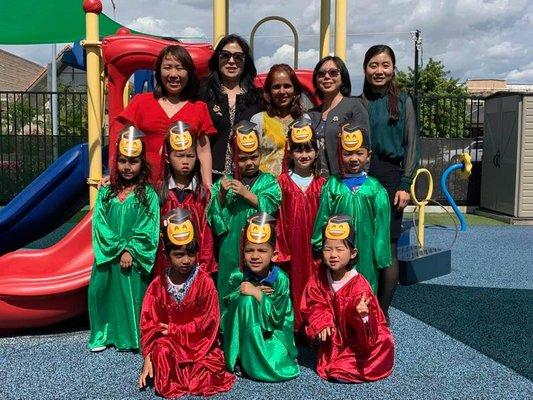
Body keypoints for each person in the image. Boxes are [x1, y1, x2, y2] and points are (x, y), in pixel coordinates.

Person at [139, 208, 235, 398]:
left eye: (190, 254)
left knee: (205, 375)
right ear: (166, 253)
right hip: (171, 344)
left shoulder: (205, 283)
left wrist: (175, 330)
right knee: (162, 354)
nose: (186, 260)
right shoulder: (157, 286)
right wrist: (149, 355)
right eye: (179, 254)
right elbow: (149, 324)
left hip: (201, 347)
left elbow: (209, 323)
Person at [88, 127, 159, 352]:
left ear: (142, 163)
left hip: (133, 257)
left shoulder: (148, 194)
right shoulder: (106, 193)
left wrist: (130, 250)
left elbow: (148, 227)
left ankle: (130, 338)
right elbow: (100, 224)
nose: (127, 167)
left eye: (133, 161)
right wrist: (118, 249)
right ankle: (102, 334)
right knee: (99, 290)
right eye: (122, 161)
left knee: (130, 293)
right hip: (108, 256)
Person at [362, 45, 420, 318]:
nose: (379, 70)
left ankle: (382, 313)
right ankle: (362, 304)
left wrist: (405, 185)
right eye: (374, 65)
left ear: (393, 68)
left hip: (390, 177)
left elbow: (411, 145)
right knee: (361, 242)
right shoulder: (358, 102)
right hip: (360, 176)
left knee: (388, 244)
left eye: (385, 65)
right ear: (365, 69)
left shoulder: (404, 101)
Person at [301, 215, 394, 383]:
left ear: (353, 253)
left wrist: (363, 316)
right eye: (328, 249)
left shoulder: (359, 287)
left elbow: (371, 332)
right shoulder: (320, 276)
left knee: (346, 367)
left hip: (361, 341)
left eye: (339, 249)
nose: (333, 255)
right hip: (336, 338)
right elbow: (313, 302)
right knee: (330, 363)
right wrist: (322, 321)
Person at [113, 45, 216, 187]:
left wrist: (208, 184)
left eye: (180, 68)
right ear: (158, 72)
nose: (173, 74)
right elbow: (122, 144)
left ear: (189, 72)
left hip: (182, 190)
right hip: (143, 187)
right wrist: (113, 176)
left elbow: (203, 151)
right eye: (167, 67)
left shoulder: (199, 107)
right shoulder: (140, 102)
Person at [207, 121, 281, 312]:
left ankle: (257, 329)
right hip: (230, 246)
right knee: (228, 284)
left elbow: (272, 207)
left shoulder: (268, 181)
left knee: (258, 287)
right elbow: (214, 219)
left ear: (261, 155)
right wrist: (222, 196)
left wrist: (247, 194)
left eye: (254, 157)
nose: (249, 163)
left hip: (258, 245)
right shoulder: (225, 182)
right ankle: (226, 328)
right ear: (234, 156)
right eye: (243, 158)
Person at [312, 123, 391, 294]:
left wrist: (381, 256)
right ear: (340, 154)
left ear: (368, 155)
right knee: (337, 289)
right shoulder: (333, 185)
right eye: (348, 153)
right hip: (338, 249)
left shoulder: (375, 188)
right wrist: (318, 243)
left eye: (359, 153)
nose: (354, 158)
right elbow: (323, 216)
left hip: (366, 251)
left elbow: (381, 227)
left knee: (365, 291)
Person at [223, 212, 300, 382]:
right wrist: (244, 292)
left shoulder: (280, 279)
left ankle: (252, 361)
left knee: (276, 361)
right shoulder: (237, 275)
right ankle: (242, 356)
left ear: (274, 254)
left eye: (262, 250)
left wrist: (258, 294)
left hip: (273, 333)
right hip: (245, 333)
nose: (255, 256)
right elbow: (227, 309)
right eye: (249, 250)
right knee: (244, 302)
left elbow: (279, 319)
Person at [276, 117, 325, 332]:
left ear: (316, 152)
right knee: (294, 286)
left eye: (308, 150)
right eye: (298, 150)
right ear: (291, 152)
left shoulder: (323, 184)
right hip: (292, 248)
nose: (304, 155)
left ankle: (314, 328)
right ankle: (294, 329)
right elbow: (278, 219)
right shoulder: (282, 183)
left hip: (314, 249)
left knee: (316, 284)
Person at [153, 121, 216, 277]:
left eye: (190, 155)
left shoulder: (203, 194)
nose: (185, 161)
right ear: (168, 157)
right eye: (179, 155)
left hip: (195, 266)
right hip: (165, 267)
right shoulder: (158, 192)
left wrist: (204, 268)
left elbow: (207, 236)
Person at [199, 34, 263, 181]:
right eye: (225, 55)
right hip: (210, 178)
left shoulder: (257, 98)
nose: (231, 61)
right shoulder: (203, 94)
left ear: (246, 62)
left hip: (247, 180)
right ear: (217, 59)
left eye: (238, 57)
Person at [308, 56, 369, 176]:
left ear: (343, 77)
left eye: (333, 73)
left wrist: (360, 184)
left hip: (344, 185)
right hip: (316, 185)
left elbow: (364, 149)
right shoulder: (312, 114)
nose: (327, 77)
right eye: (321, 73)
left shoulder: (354, 106)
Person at [250, 64, 307, 176]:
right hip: (265, 189)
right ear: (269, 91)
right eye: (276, 87)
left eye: (287, 86)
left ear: (295, 89)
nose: (282, 91)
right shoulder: (258, 120)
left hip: (295, 189)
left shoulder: (304, 120)